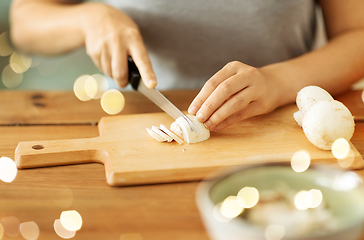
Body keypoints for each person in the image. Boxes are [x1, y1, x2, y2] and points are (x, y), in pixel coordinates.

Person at [9, 0, 364, 131]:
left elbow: (357, 35)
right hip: (128, 125)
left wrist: (277, 81)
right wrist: (87, 18)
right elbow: (23, 19)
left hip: (280, 128)